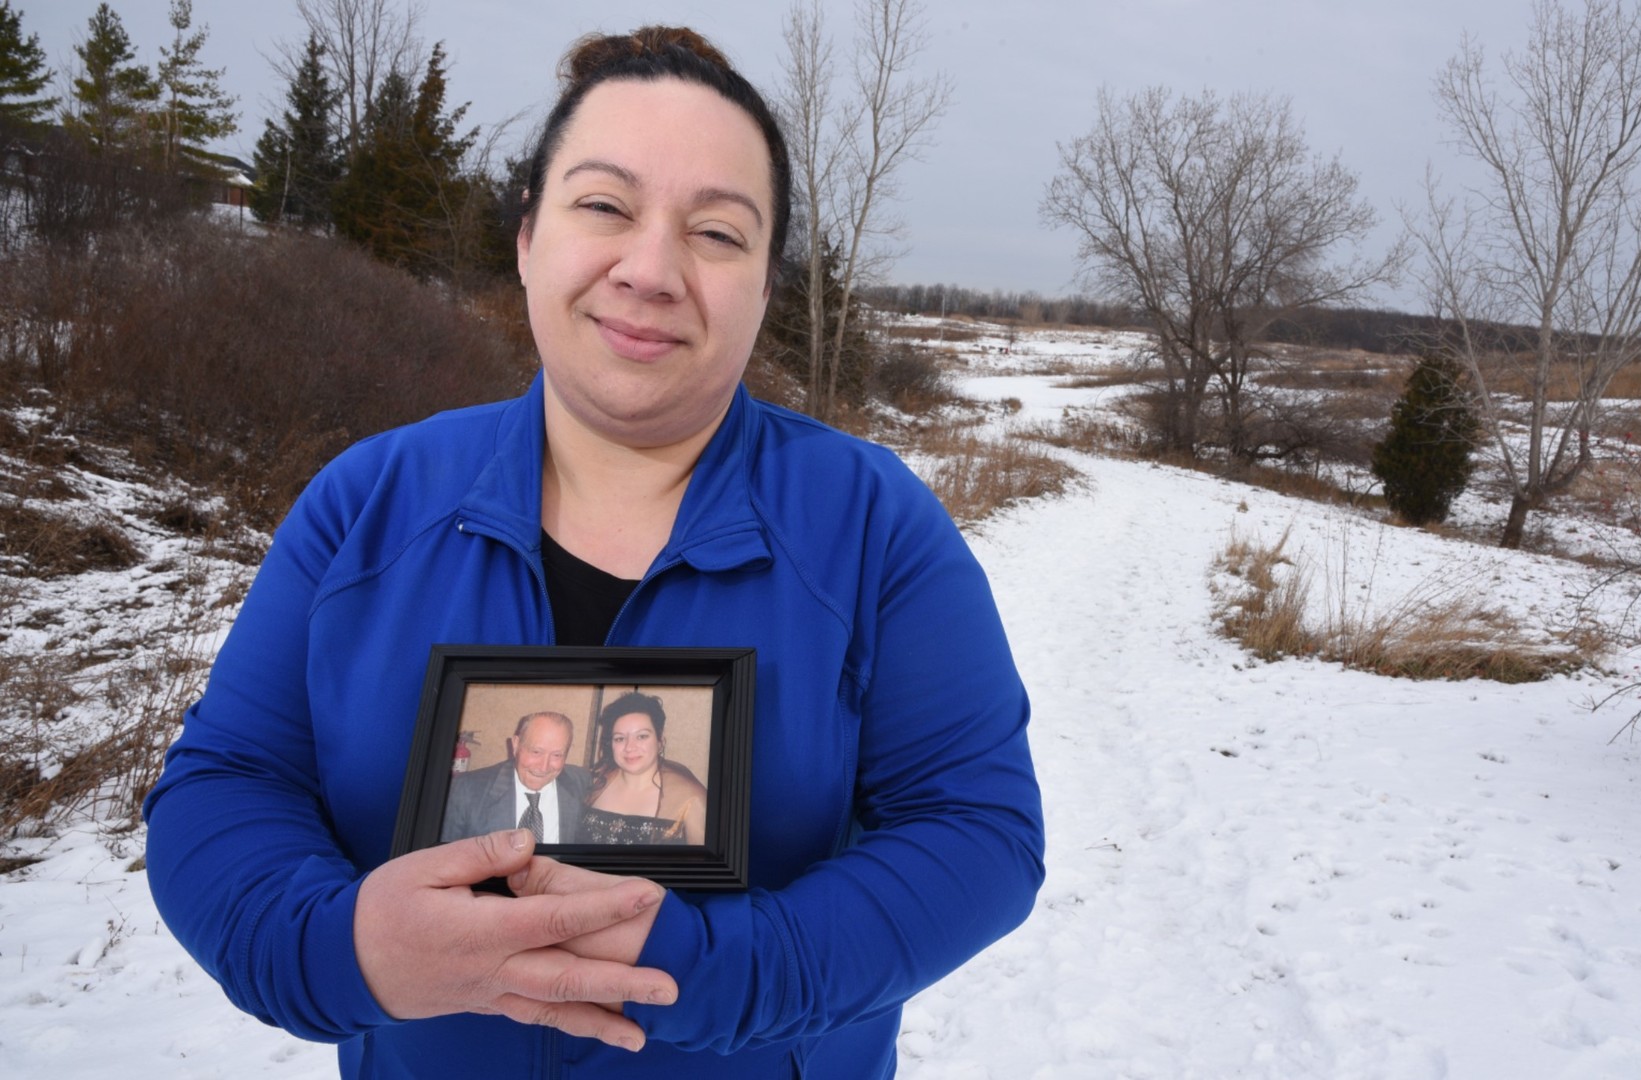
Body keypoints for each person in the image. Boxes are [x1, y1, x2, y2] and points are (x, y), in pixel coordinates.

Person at [142, 25, 1042, 1079]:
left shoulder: (871, 525)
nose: (650, 269)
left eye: (715, 232)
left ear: (763, 286)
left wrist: (717, 970)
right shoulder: (368, 502)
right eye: (605, 206)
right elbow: (226, 785)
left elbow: (977, 833)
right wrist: (339, 952)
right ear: (527, 236)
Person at [441, 711, 597, 844]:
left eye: (557, 755)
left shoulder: (581, 782)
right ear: (516, 745)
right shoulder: (466, 789)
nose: (543, 767)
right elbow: (444, 858)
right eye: (536, 752)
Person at [580, 692, 707, 845]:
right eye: (620, 738)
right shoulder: (594, 783)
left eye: (642, 736)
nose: (629, 747)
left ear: (660, 740)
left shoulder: (691, 799)